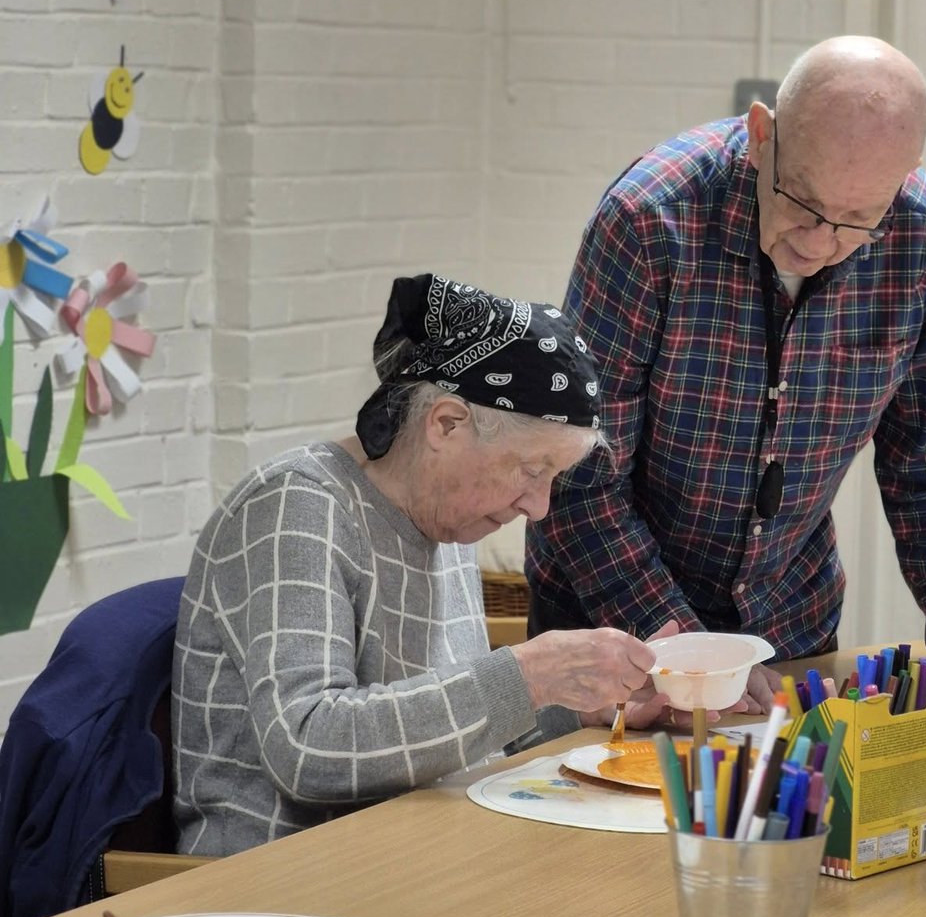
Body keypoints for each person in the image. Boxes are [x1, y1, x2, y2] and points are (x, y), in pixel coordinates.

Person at [526, 35, 926, 712]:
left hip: (788, 625)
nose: (818, 243)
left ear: (902, 179)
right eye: (802, 202)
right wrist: (690, 651)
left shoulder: (922, 238)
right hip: (614, 624)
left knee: (789, 786)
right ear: (763, 136)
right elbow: (577, 467)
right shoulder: (649, 220)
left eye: (856, 221)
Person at [172, 273, 667, 857]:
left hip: (415, 850)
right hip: (282, 872)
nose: (538, 507)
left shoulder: (448, 519)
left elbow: (444, 735)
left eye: (552, 479)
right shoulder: (297, 505)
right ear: (446, 423)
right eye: (531, 471)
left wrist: (579, 704)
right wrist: (528, 675)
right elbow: (307, 747)